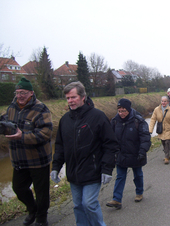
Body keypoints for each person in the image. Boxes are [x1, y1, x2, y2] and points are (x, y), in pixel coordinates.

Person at [51, 81, 119, 226]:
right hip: (73, 173)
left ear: (83, 97)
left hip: (93, 171)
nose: (70, 101)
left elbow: (110, 144)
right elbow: (60, 146)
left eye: (73, 97)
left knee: (89, 204)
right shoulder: (64, 120)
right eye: (68, 98)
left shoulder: (98, 116)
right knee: (78, 206)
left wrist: (107, 169)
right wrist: (56, 167)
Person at [0, 77, 52, 226]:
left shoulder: (41, 109)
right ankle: (33, 209)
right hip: (19, 159)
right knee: (18, 188)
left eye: (23, 92)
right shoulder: (12, 108)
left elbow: (46, 133)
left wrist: (23, 136)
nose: (20, 96)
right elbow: (4, 123)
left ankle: (42, 218)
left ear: (31, 93)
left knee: (41, 192)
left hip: (38, 159)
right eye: (18, 92)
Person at [106, 98, 151, 209]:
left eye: (123, 111)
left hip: (136, 153)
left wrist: (142, 151)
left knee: (138, 174)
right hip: (121, 154)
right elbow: (110, 138)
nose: (121, 113)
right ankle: (117, 199)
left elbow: (145, 137)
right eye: (119, 111)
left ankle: (139, 192)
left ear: (129, 109)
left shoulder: (138, 121)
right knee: (120, 176)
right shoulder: (115, 121)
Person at [149, 96, 170, 164]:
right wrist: (150, 129)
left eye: (165, 101)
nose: (163, 102)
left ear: (168, 102)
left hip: (169, 129)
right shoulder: (156, 109)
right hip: (161, 130)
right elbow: (153, 119)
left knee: (167, 142)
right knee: (163, 143)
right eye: (162, 101)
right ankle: (167, 154)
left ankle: (166, 157)